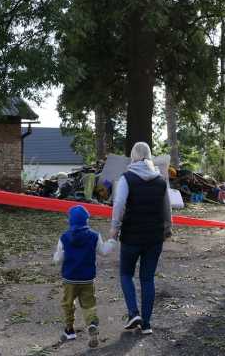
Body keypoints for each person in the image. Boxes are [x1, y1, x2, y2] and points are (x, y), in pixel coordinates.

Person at [109, 142, 172, 335]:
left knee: (126, 274)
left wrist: (114, 228)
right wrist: (168, 228)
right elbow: (167, 207)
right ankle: (146, 324)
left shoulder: (126, 178)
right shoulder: (161, 180)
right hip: (154, 237)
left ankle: (133, 313)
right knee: (147, 278)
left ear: (133, 156)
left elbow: (119, 204)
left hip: (131, 236)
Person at [53, 205, 116, 348]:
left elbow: (58, 259)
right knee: (89, 304)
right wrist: (112, 241)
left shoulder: (64, 237)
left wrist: (56, 256)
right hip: (87, 278)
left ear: (70, 221)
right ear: (86, 220)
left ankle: (69, 329)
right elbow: (104, 251)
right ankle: (91, 324)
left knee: (68, 303)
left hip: (70, 278)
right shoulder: (94, 235)